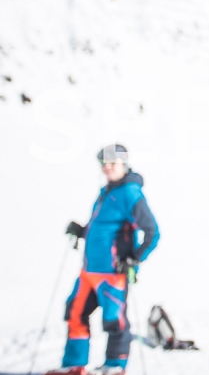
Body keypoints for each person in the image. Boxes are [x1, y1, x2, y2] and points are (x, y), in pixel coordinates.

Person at [49, 144, 160, 375]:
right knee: (75, 314)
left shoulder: (130, 193)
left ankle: (115, 366)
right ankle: (74, 366)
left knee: (114, 320)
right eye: (104, 163)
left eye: (112, 163)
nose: (107, 167)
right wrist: (82, 231)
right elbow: (105, 228)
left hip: (112, 273)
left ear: (124, 163)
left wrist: (134, 258)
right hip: (89, 271)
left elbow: (152, 232)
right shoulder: (107, 191)